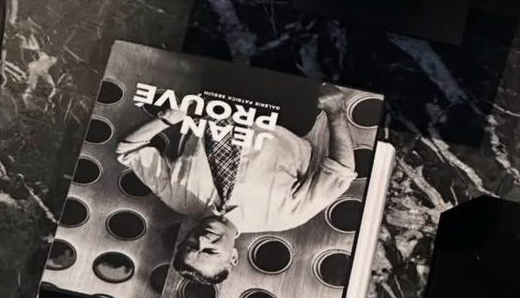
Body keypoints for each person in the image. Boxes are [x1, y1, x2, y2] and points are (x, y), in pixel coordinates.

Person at [115, 87, 356, 285]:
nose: (202, 240)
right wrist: (335, 111)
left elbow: (128, 149)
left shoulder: (177, 197)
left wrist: (168, 118)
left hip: (218, 92)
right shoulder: (285, 216)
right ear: (232, 257)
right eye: (210, 251)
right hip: (286, 109)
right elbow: (340, 173)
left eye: (191, 245)